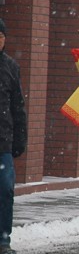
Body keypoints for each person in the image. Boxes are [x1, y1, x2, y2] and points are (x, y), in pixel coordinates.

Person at [0, 19, 27, 254]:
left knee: (6, 189)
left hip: (3, 142)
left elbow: (18, 106)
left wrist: (20, 138)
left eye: (1, 36)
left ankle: (3, 239)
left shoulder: (10, 67)